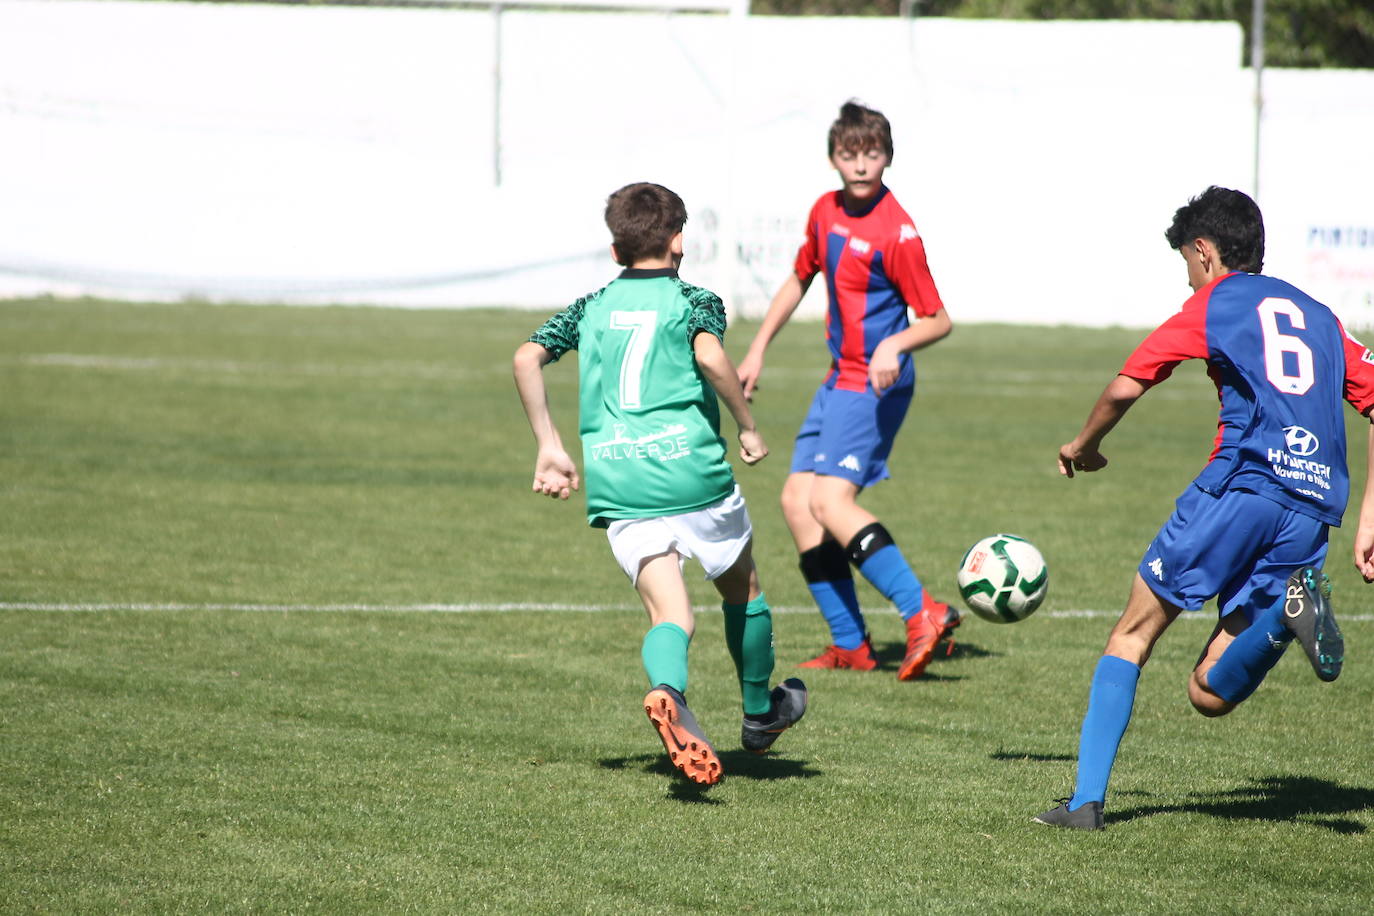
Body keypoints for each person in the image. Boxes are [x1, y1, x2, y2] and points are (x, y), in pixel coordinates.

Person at [1035, 186, 1374, 830]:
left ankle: (1083, 804)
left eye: (1187, 268)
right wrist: (1369, 516)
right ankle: (1283, 618)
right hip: (1311, 512)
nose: (1189, 283)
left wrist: (1083, 445)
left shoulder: (1217, 302)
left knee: (1131, 635)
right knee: (1208, 692)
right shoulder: (1322, 316)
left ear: (1205, 251)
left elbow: (1126, 383)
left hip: (1240, 491)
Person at [513, 182, 807, 787]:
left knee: (671, 613)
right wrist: (748, 427)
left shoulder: (591, 305)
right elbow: (710, 358)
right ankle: (758, 713)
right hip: (691, 472)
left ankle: (668, 690)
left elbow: (525, 357)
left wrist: (549, 446)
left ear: (617, 251)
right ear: (679, 241)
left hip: (621, 479)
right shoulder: (696, 300)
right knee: (742, 587)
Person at [736, 100, 957, 680]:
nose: (861, 165)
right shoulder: (825, 211)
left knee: (829, 501)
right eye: (850, 154)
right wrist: (757, 347)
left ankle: (922, 611)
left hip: (876, 382)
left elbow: (937, 319)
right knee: (795, 502)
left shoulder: (898, 232)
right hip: (839, 378)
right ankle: (852, 644)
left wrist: (894, 345)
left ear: (888, 157)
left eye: (873, 154)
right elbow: (799, 278)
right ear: (834, 157)